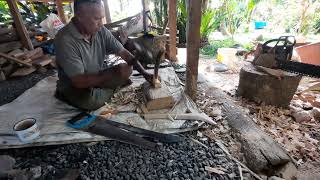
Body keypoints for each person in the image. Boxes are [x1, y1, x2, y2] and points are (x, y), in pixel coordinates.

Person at [54, 0, 153, 110]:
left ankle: (108, 89)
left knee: (127, 69)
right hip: (75, 86)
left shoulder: (101, 30)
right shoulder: (64, 39)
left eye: (102, 18)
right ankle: (113, 88)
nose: (101, 24)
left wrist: (144, 72)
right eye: (96, 19)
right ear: (79, 16)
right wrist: (109, 76)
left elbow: (124, 54)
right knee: (91, 102)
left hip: (96, 77)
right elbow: (79, 81)